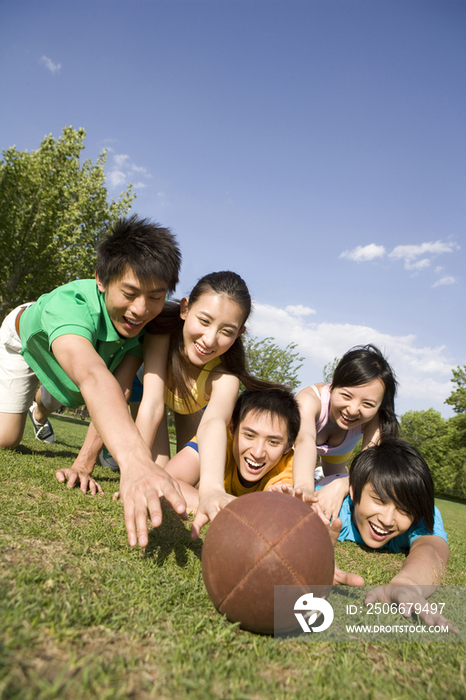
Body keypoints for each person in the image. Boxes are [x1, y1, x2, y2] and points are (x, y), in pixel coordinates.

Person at [0, 215, 186, 547]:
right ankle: (41, 399)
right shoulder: (70, 305)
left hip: (74, 374)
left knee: (74, 391)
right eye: (129, 293)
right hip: (24, 345)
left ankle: (41, 408)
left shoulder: (148, 328)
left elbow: (119, 388)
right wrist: (134, 463)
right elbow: (92, 376)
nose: (141, 309)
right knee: (6, 440)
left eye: (156, 297)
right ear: (101, 279)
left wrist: (84, 465)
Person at [62, 272, 285, 506]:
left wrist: (212, 489)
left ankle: (119, 451)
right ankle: (116, 451)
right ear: (185, 308)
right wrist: (133, 471)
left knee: (186, 479)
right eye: (205, 321)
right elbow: (152, 404)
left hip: (187, 404)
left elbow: (213, 424)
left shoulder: (226, 378)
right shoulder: (162, 333)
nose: (209, 340)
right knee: (156, 469)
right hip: (145, 389)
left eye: (226, 331)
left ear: (239, 333)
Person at [326, 439, 450, 626]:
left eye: (404, 510)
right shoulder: (334, 507)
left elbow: (432, 548)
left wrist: (408, 583)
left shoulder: (423, 514)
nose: (387, 520)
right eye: (379, 500)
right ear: (354, 492)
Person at [278, 344, 399, 521]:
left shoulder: (375, 419)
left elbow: (371, 464)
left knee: (351, 492)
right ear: (333, 383)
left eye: (367, 404)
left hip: (337, 460)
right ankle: (314, 477)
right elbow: (305, 440)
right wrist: (304, 487)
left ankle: (321, 477)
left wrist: (342, 484)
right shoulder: (310, 400)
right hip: (294, 453)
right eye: (347, 396)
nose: (352, 410)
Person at [164, 388, 301, 516]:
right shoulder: (215, 438)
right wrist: (236, 508)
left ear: (288, 447)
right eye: (249, 436)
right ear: (231, 429)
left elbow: (274, 514)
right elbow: (166, 484)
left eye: (273, 442)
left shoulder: (290, 466)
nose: (258, 453)